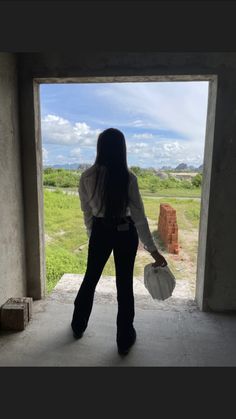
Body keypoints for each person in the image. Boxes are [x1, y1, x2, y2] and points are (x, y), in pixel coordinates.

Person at [71, 128, 167, 355]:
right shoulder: (128, 178)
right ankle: (124, 339)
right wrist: (154, 252)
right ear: (122, 150)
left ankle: (78, 326)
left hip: (99, 231)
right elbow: (140, 218)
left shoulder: (86, 177)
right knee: (124, 284)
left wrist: (92, 234)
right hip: (125, 232)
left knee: (90, 278)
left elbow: (87, 212)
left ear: (100, 148)